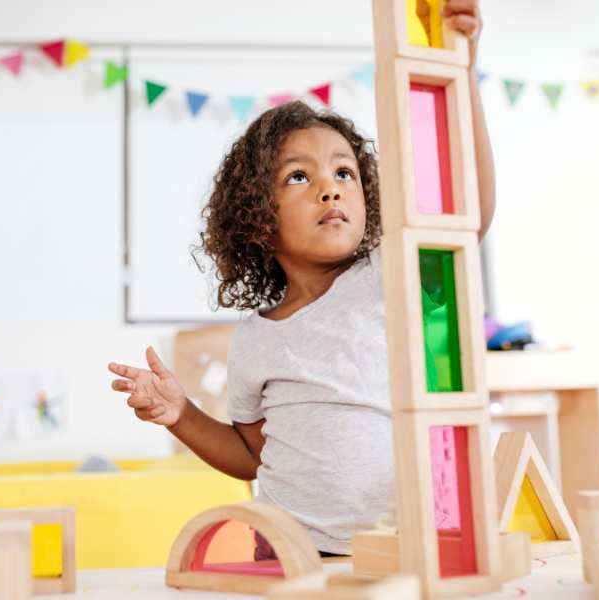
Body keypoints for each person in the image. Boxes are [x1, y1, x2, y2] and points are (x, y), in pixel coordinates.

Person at [108, 0, 494, 556]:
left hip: (406, 547)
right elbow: (250, 453)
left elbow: (470, 212)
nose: (330, 188)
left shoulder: (391, 274)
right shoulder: (256, 339)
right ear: (258, 215)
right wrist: (181, 414)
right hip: (293, 554)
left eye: (344, 171)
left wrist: (464, 71)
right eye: (298, 176)